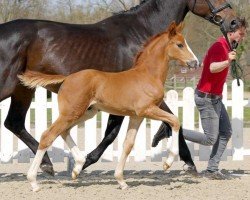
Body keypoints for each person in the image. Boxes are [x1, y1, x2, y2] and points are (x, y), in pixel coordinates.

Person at [182, 18, 248, 179]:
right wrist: (228, 61)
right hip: (207, 98)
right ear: (231, 32)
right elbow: (212, 68)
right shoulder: (219, 46)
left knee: (225, 132)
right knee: (210, 138)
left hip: (215, 98)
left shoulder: (226, 46)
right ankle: (174, 130)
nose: (242, 37)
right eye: (241, 34)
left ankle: (212, 170)